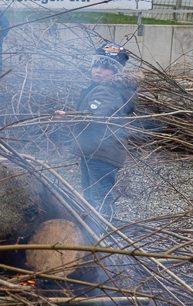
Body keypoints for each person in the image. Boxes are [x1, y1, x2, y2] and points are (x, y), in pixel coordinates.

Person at [54, 43, 138, 221]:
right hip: (94, 151)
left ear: (117, 72)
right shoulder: (102, 88)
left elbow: (95, 116)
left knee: (100, 198)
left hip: (102, 154)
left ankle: (104, 235)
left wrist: (68, 116)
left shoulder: (107, 90)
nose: (98, 71)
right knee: (90, 194)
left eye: (106, 68)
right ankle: (92, 231)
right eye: (96, 65)